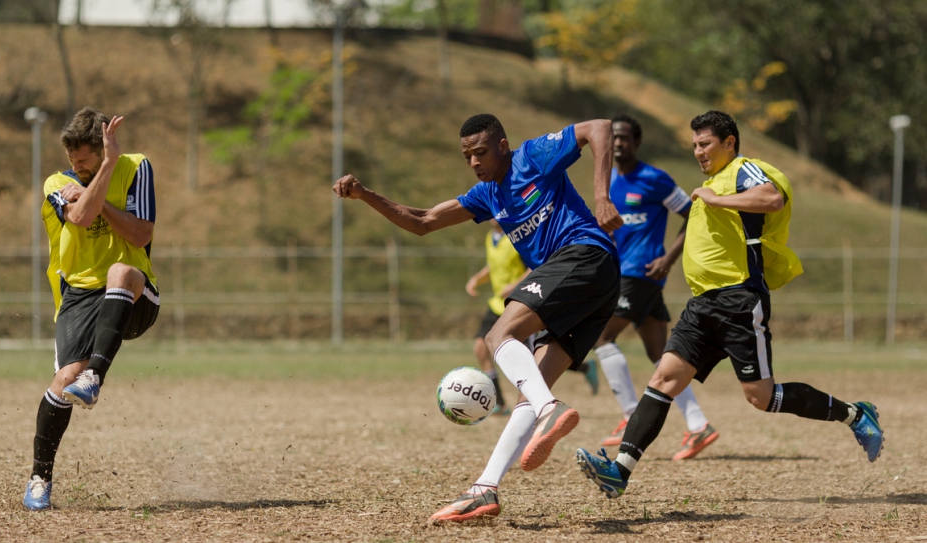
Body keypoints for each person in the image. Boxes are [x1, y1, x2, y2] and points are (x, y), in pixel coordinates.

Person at [575, 110, 884, 500]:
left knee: (761, 397)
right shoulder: (715, 181)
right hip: (702, 303)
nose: (698, 152)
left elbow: (772, 198)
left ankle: (856, 414)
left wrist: (717, 199)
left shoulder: (743, 170)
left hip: (738, 299)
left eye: (705, 144)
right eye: (694, 146)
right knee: (664, 379)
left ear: (730, 143)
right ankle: (620, 470)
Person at [333, 113, 623, 523]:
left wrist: (601, 196)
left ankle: (550, 410)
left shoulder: (535, 156)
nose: (474, 162)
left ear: (503, 146)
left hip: (584, 255)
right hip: (597, 286)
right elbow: (423, 221)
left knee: (499, 334)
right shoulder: (486, 194)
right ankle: (484, 489)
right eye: (467, 155)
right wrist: (365, 194)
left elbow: (600, 127)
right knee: (531, 388)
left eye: (481, 152)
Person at [23, 107, 160, 511]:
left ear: (103, 150)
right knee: (64, 381)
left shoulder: (136, 167)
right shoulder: (57, 182)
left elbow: (141, 231)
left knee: (121, 270)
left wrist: (111, 167)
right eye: (72, 160)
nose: (76, 168)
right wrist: (92, 191)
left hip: (134, 291)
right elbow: (80, 217)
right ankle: (39, 480)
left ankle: (96, 375)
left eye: (85, 160)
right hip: (79, 294)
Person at [582, 114, 719, 461]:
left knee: (601, 337)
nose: (617, 144)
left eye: (624, 138)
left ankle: (630, 414)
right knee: (662, 357)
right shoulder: (609, 180)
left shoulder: (654, 179)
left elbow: (693, 214)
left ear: (636, 142)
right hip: (624, 271)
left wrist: (668, 259)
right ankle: (698, 424)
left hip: (641, 273)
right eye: (612, 138)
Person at [465, 219, 530, 415]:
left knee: (529, 358)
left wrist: (514, 286)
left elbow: (534, 267)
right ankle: (499, 403)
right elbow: (492, 267)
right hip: (497, 304)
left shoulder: (519, 236)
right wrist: (477, 279)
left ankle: (534, 403)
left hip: (518, 304)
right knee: (480, 346)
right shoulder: (490, 238)